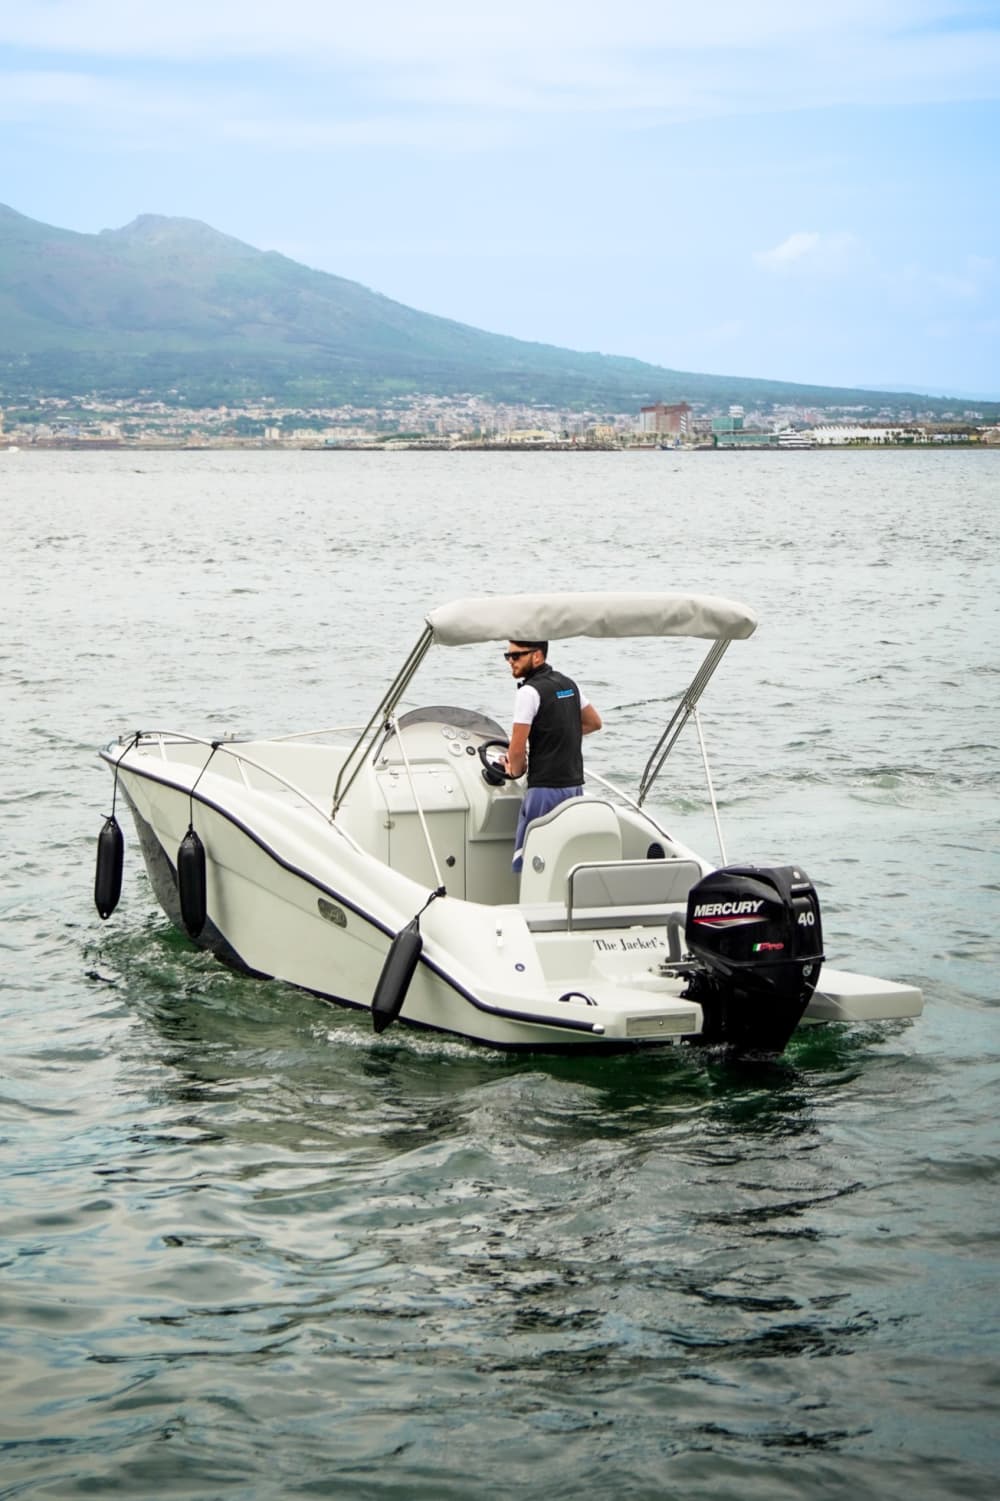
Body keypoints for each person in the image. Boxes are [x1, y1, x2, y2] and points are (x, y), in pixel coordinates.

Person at [500, 640, 602, 872]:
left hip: (544, 789)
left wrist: (514, 770)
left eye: (516, 656)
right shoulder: (568, 684)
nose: (510, 661)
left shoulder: (529, 692)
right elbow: (594, 722)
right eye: (508, 656)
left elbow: (516, 750)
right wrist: (556, 734)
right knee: (564, 859)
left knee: (532, 861)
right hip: (574, 787)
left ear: (537, 656)